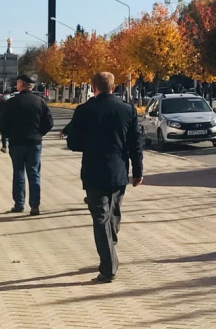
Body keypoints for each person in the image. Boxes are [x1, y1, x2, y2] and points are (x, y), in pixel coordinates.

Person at [65, 71, 143, 283]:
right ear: (113, 86)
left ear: (93, 88)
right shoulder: (127, 110)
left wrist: (89, 144)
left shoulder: (84, 111)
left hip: (94, 170)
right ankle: (111, 247)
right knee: (113, 213)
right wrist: (138, 171)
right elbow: (135, 143)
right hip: (118, 171)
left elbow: (73, 143)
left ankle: (108, 268)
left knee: (101, 218)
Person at [0, 74, 53, 215]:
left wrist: (9, 135)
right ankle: (35, 205)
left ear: (21, 84)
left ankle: (19, 203)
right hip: (34, 143)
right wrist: (39, 133)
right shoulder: (40, 102)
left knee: (18, 173)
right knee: (34, 173)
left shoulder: (11, 103)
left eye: (18, 82)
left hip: (16, 143)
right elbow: (49, 123)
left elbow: (2, 124)